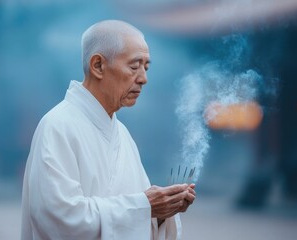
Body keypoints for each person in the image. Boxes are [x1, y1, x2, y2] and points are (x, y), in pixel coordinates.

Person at [21, 20, 196, 240]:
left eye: (146, 67)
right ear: (98, 66)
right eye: (134, 66)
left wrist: (161, 213)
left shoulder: (122, 133)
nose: (143, 78)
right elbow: (59, 220)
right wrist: (145, 206)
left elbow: (141, 213)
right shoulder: (57, 126)